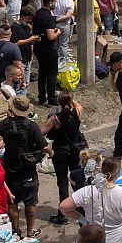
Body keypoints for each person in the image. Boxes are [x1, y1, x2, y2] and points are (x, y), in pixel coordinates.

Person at [0, 95, 48, 237]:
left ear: (11, 108)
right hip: (27, 171)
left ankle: (15, 230)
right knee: (30, 202)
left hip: (8, 170)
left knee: (12, 202)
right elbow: (44, 146)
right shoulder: (32, 126)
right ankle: (30, 231)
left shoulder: (3, 125)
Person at [42, 90, 86, 224]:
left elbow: (40, 133)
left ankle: (62, 214)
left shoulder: (55, 119)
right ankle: (82, 206)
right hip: (75, 151)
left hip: (60, 152)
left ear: (59, 103)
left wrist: (46, 147)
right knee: (76, 179)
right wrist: (66, 96)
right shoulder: (77, 112)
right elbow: (78, 105)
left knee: (62, 182)